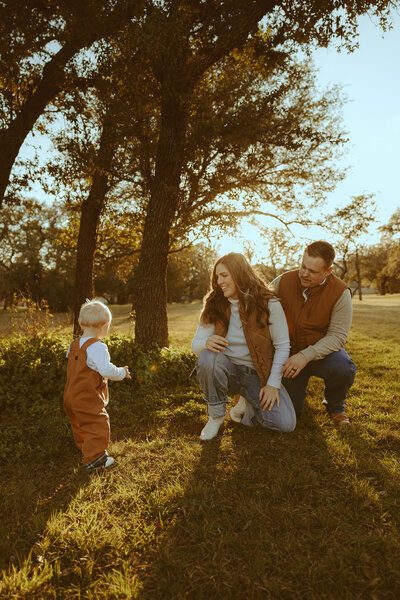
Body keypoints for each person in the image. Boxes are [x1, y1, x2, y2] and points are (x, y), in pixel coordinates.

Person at [191, 253, 296, 441]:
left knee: (285, 424)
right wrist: (205, 343)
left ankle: (248, 406)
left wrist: (272, 385)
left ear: (239, 274)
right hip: (228, 371)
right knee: (207, 357)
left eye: (224, 275)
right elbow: (196, 345)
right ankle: (216, 416)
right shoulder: (214, 303)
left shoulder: (269, 303)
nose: (219, 281)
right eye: (217, 277)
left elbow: (282, 346)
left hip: (259, 375)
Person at [272, 240, 356, 426]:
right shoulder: (283, 281)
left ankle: (335, 406)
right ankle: (296, 396)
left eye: (312, 271)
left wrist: (305, 355)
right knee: (291, 413)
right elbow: (259, 306)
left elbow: (338, 336)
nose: (304, 274)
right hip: (288, 355)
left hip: (321, 354)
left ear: (328, 271)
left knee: (343, 367)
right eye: (303, 266)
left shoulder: (341, 292)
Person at [63, 300, 131, 471]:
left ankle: (84, 447)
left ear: (81, 323)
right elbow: (107, 370)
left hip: (70, 397)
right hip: (86, 397)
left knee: (79, 423)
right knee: (99, 423)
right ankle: (95, 459)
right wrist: (122, 372)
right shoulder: (98, 347)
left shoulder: (74, 345)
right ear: (103, 326)